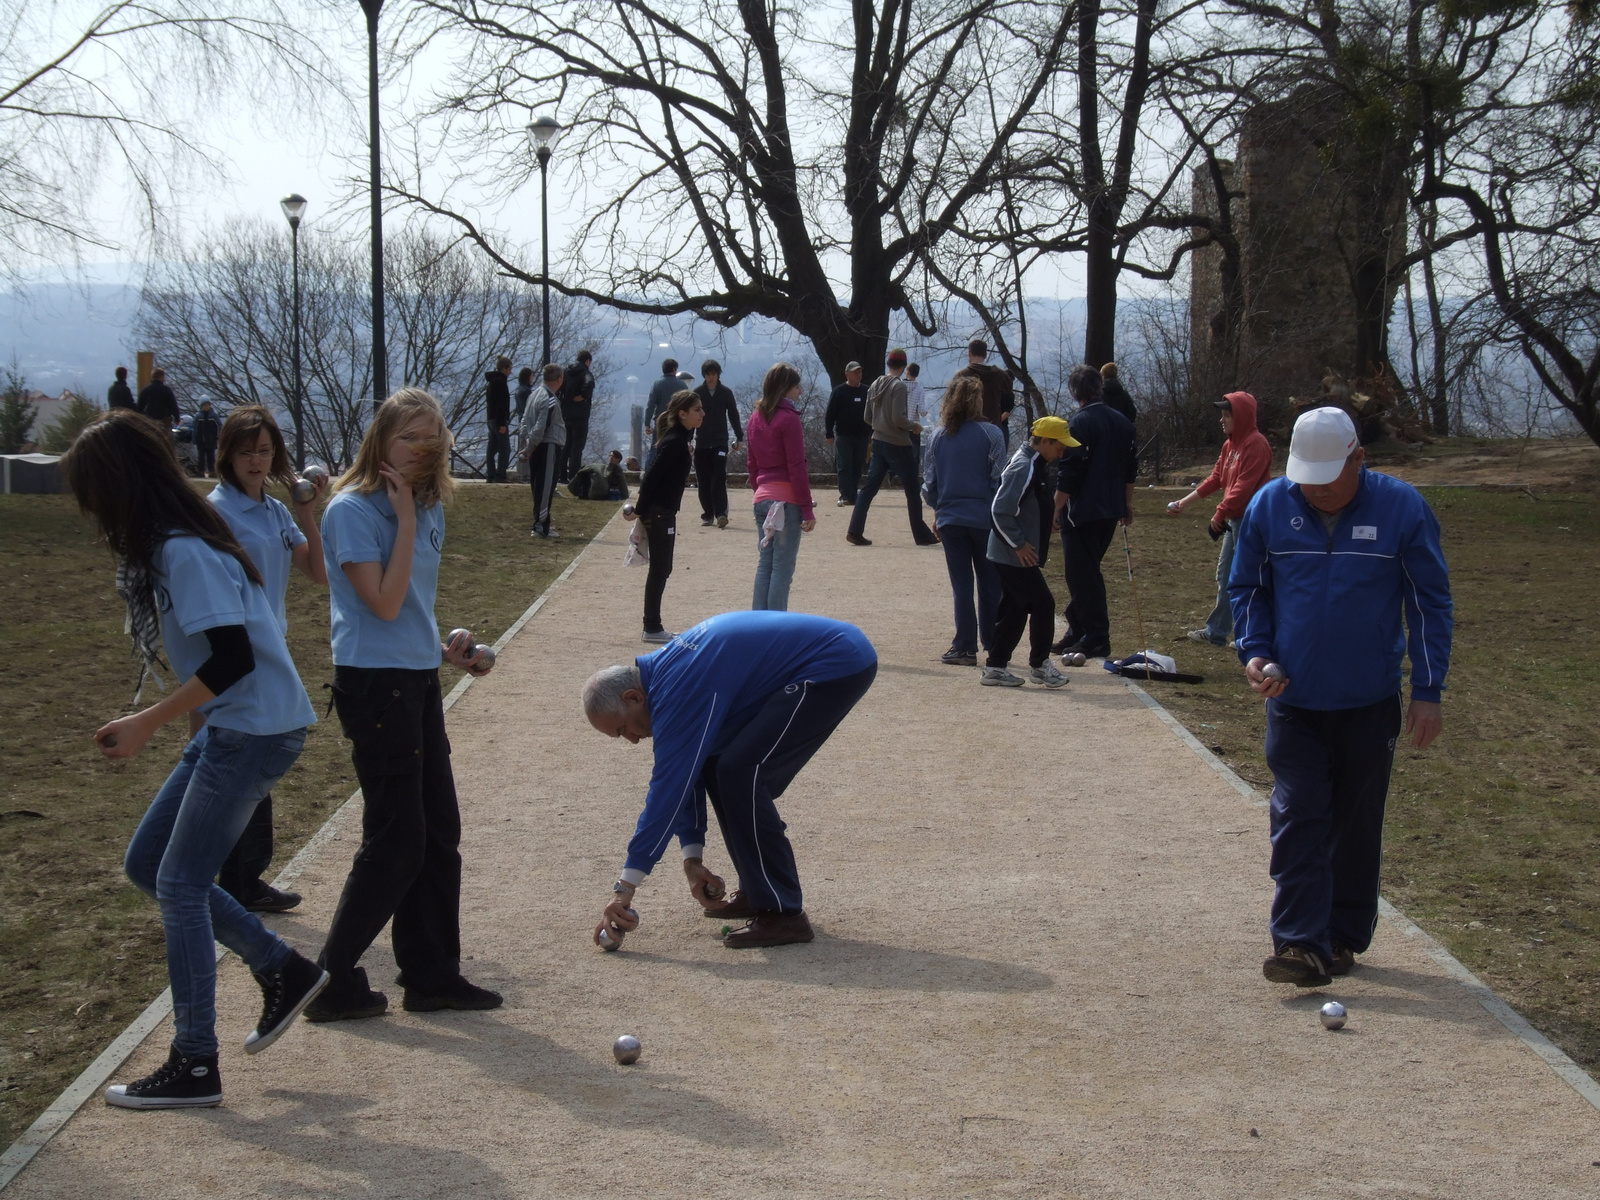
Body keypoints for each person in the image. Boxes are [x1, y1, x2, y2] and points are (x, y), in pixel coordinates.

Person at [62, 411, 327, 1109]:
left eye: (93, 492)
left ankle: (195, 1061)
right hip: (240, 727)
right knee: (147, 865)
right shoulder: (184, 538)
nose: (91, 511)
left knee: (179, 883)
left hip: (255, 728)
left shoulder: (183, 547)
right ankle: (282, 968)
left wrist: (150, 722)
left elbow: (234, 659)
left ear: (119, 487)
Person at [1230, 406, 1452, 987]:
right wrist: (1254, 653)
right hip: (1294, 697)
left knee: (1355, 822)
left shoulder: (1403, 508)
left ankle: (1343, 934)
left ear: (1359, 458)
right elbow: (1249, 589)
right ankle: (1300, 942)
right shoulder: (1270, 506)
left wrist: (1427, 691)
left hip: (1368, 698)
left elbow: (1430, 604)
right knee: (1300, 812)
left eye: (1330, 479)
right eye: (1308, 480)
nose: (1318, 492)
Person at [307, 388, 502, 1022]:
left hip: (417, 677)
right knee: (398, 839)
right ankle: (327, 980)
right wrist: (407, 523)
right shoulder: (353, 511)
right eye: (408, 438)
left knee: (438, 831)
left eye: (433, 438)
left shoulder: (425, 503)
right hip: (375, 686)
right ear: (381, 441)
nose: (423, 449)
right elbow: (382, 606)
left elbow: (408, 610)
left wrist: (447, 647)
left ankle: (432, 974)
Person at [583, 611, 877, 949]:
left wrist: (625, 889)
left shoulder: (678, 688)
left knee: (740, 772)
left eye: (623, 730)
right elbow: (690, 771)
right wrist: (692, 861)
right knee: (719, 763)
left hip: (837, 661)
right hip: (821, 657)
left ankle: (783, 914)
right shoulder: (662, 681)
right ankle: (758, 891)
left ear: (633, 697)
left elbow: (668, 793)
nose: (633, 740)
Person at [206, 405, 329, 914]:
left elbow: (319, 573)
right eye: (245, 450)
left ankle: (243, 877)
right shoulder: (214, 512)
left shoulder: (277, 512)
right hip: (233, 650)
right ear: (227, 454)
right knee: (242, 762)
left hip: (270, 649)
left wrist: (306, 511)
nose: (256, 460)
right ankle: (236, 879)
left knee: (255, 763)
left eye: (264, 450)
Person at [1168, 391, 1272, 647]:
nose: (1222, 421)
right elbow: (1217, 479)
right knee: (1226, 576)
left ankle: (1250, 635)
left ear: (1243, 417)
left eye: (1227, 415)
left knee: (1246, 578)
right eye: (1222, 415)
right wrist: (1184, 502)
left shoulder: (1255, 444)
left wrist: (1220, 511)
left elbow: (1243, 486)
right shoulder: (1230, 446)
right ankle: (1217, 632)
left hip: (1250, 522)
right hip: (1234, 520)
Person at [983, 418, 1078, 688]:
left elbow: (1028, 504)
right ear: (1045, 441)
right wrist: (1019, 544)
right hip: (1012, 554)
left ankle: (995, 667)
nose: (1062, 453)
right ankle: (1039, 665)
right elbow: (999, 511)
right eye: (1059, 447)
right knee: (1043, 604)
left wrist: (1046, 520)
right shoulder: (1024, 466)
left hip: (1014, 552)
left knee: (1015, 609)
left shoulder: (1034, 464)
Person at [1052, 365, 1138, 659]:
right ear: (1100, 387)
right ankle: (1078, 628)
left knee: (1081, 575)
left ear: (1075, 393)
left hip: (1082, 510)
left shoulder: (1078, 423)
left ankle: (1097, 635)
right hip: (1110, 508)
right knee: (1086, 572)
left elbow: (1070, 472)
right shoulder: (1123, 422)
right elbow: (1130, 469)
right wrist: (1127, 503)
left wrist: (1056, 508)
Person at [921, 376, 1005, 666]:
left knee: (962, 586)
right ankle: (995, 644)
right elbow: (998, 482)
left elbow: (929, 484)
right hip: (984, 520)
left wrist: (939, 509)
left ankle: (964, 645)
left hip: (951, 519)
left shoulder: (937, 436)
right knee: (990, 584)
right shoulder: (992, 434)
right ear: (976, 401)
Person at [629, 389, 703, 642]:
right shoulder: (674, 442)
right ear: (682, 414)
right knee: (661, 568)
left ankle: (653, 626)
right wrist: (639, 509)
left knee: (663, 567)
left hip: (664, 511)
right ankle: (651, 627)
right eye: (696, 410)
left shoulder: (679, 439)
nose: (702, 414)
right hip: (659, 512)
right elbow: (650, 477)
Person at [845, 349, 937, 547]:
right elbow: (898, 418)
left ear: (888, 364)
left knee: (869, 489)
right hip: (898, 443)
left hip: (878, 441)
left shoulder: (875, 384)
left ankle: (854, 530)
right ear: (904, 366)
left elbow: (866, 418)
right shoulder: (899, 387)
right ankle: (921, 535)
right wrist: (914, 426)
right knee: (912, 490)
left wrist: (880, 425)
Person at [745, 362, 816, 611]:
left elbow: (752, 465)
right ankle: (776, 627)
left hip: (762, 498)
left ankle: (758, 623)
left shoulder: (755, 419)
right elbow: (796, 466)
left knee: (765, 563)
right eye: (797, 386)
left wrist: (761, 492)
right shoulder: (789, 419)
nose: (801, 391)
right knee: (782, 569)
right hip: (786, 500)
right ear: (786, 388)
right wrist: (807, 509)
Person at [694, 359, 744, 528]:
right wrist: (687, 440)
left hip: (719, 442)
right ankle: (707, 514)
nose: (711, 377)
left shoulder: (725, 393)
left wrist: (739, 437)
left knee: (718, 477)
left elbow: (733, 415)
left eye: (714, 374)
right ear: (704, 375)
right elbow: (690, 418)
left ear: (718, 374)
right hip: (701, 443)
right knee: (703, 480)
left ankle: (721, 513)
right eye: (708, 374)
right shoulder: (697, 393)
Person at [520, 363, 567, 538]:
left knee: (538, 485)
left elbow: (524, 421)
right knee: (545, 487)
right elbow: (542, 427)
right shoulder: (549, 399)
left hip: (537, 445)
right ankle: (541, 525)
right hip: (548, 446)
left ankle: (541, 522)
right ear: (559, 379)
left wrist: (527, 443)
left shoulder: (534, 395)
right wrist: (530, 446)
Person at [824, 362, 871, 507]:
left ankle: (853, 495)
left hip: (862, 436)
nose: (858, 375)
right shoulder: (839, 391)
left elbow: (873, 413)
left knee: (857, 465)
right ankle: (844, 494)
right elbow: (830, 413)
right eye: (855, 372)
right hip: (844, 435)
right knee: (844, 465)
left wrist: (873, 433)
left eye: (860, 372)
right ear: (847, 374)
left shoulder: (867, 391)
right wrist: (829, 433)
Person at [952, 339, 1014, 443]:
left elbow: (953, 403)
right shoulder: (998, 375)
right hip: (993, 429)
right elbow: (1008, 386)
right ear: (985, 355)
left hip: (968, 430)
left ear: (969, 353)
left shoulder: (962, 376)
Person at [559, 350, 597, 483]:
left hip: (565, 413)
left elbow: (559, 388)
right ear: (587, 361)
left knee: (565, 445)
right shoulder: (586, 373)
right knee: (577, 447)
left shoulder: (565, 372)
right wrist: (582, 397)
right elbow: (589, 384)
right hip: (580, 415)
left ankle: (561, 475)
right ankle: (574, 476)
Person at [643, 358, 682, 468]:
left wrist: (647, 423)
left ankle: (648, 474)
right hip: (677, 423)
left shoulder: (657, 384)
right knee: (675, 449)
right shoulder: (682, 385)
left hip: (661, 422)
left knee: (655, 449)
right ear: (674, 370)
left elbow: (650, 405)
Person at [484, 356, 513, 483]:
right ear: (505, 368)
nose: (510, 372)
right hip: (498, 420)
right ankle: (500, 474)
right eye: (509, 369)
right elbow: (501, 404)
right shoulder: (501, 382)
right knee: (505, 448)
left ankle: (490, 474)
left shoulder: (491, 382)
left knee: (492, 448)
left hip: (491, 418)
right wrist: (502, 423)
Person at [903, 362, 928, 479]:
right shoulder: (919, 389)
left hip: (899, 424)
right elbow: (921, 409)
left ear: (907, 372)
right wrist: (926, 413)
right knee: (914, 455)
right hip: (913, 426)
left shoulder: (899, 386)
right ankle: (912, 477)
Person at [194, 400, 220, 478]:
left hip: (211, 439)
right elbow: (194, 428)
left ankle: (212, 471)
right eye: (204, 405)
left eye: (207, 405)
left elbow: (219, 426)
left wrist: (218, 436)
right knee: (201, 457)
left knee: (211, 457)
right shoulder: (198, 416)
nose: (206, 407)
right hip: (200, 440)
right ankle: (201, 471)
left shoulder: (214, 416)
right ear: (201, 406)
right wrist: (194, 438)